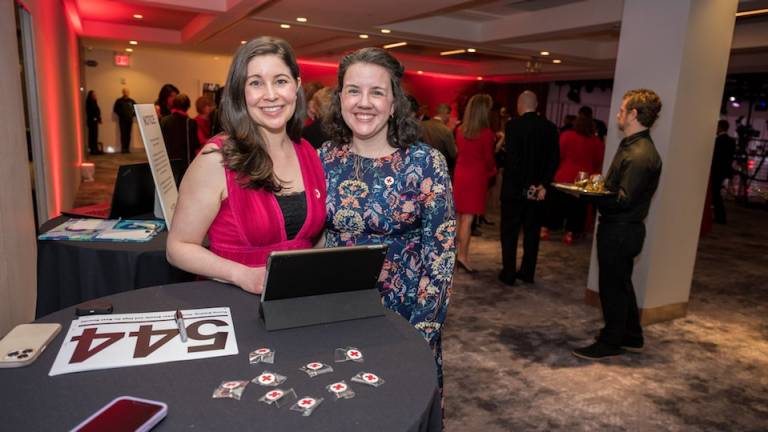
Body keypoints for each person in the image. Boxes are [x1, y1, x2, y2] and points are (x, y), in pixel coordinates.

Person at [321, 47, 455, 390]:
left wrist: (418, 338)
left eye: (376, 92)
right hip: (335, 315)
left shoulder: (426, 163)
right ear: (340, 98)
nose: (363, 102)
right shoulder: (323, 157)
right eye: (354, 90)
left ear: (394, 103)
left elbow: (439, 261)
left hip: (403, 318)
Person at [166, 37, 326, 295]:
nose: (271, 95)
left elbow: (314, 239)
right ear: (241, 92)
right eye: (256, 83)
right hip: (233, 301)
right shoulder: (216, 160)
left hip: (298, 297)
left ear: (296, 86)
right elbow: (178, 247)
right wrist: (240, 275)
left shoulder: (308, 153)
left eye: (281, 81)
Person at [573, 89, 663, 360]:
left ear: (634, 114)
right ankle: (632, 336)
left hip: (621, 229)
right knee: (621, 282)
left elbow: (623, 200)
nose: (618, 114)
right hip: (622, 227)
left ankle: (611, 341)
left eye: (622, 110)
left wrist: (590, 195)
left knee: (612, 286)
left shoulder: (640, 153)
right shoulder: (633, 145)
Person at [499, 91, 559, 285]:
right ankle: (527, 273)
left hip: (515, 190)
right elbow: (554, 159)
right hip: (538, 192)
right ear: (536, 105)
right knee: (532, 233)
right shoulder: (550, 128)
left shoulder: (512, 126)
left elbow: (513, 160)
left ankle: (508, 274)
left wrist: (527, 186)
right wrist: (542, 184)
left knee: (510, 233)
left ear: (520, 105)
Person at [544, 106, 605, 244]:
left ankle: (545, 229)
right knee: (576, 208)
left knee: (555, 205)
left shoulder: (567, 136)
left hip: (563, 175)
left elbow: (558, 155)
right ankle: (569, 234)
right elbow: (598, 161)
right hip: (582, 179)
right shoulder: (597, 142)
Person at [453, 93, 496, 272]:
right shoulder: (487, 134)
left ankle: (453, 254)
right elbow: (488, 160)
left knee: (457, 218)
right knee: (468, 220)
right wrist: (493, 170)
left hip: (461, 174)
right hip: (476, 177)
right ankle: (462, 256)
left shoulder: (460, 129)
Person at [160, 94, 201, 173]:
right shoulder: (191, 123)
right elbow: (195, 144)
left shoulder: (164, 120)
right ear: (188, 106)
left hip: (168, 162)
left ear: (173, 104)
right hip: (184, 163)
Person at [711, 119, 735, 224]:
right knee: (716, 193)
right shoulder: (731, 141)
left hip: (716, 171)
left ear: (720, 127)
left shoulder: (718, 141)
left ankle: (720, 217)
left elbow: (715, 157)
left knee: (715, 194)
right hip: (723, 171)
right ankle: (720, 216)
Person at [113, 88, 136, 154]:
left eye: (127, 92)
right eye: (125, 92)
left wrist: (132, 115)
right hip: (122, 121)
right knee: (123, 134)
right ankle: (123, 149)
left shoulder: (131, 101)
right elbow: (115, 109)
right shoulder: (119, 100)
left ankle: (127, 149)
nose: (126, 93)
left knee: (128, 135)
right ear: (122, 92)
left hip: (129, 120)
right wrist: (122, 114)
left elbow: (136, 108)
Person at [85, 90, 102, 155]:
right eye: (93, 94)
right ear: (91, 95)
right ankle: (93, 149)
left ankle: (95, 149)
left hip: (94, 121)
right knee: (92, 135)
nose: (95, 95)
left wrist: (99, 119)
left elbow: (97, 111)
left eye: (95, 94)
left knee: (95, 135)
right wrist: (95, 118)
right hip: (92, 121)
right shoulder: (89, 102)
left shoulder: (94, 101)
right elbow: (92, 111)